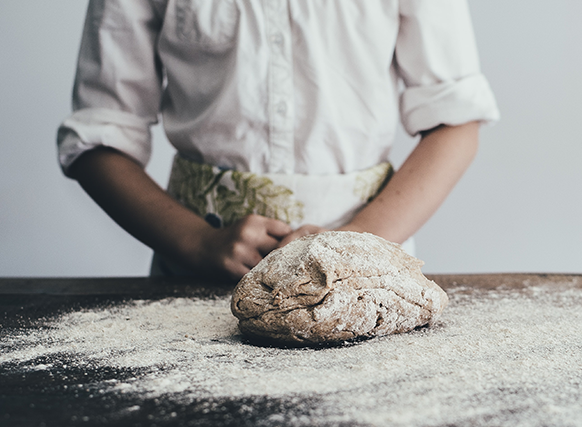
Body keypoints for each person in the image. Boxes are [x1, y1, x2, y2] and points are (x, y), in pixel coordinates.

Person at [58, 0, 499, 281]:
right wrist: (196, 242)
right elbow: (99, 137)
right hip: (196, 275)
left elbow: (455, 123)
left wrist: (354, 243)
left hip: (367, 273)